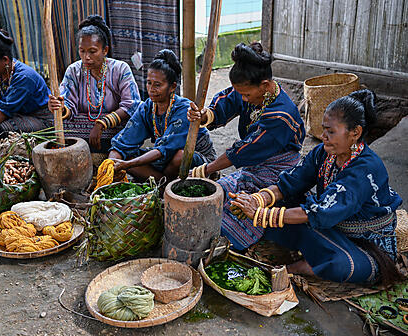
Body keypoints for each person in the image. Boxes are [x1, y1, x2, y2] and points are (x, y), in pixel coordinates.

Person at [230, 89, 402, 284]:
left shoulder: (366, 169)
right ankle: (313, 250)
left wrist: (261, 215)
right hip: (330, 228)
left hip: (367, 245)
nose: (323, 136)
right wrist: (258, 199)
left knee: (342, 265)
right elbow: (291, 183)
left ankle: (306, 266)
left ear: (355, 133)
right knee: (278, 203)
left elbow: (321, 213)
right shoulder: (323, 153)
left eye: (331, 131)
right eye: (324, 129)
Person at [187, 42, 305, 249]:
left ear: (266, 85)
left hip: (277, 169)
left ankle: (235, 243)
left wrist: (206, 169)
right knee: (217, 192)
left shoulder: (281, 115)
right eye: (240, 93)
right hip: (253, 164)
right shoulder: (250, 90)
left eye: (247, 95)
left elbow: (245, 151)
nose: (243, 99)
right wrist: (205, 115)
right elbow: (227, 101)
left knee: (236, 208)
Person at [108, 49, 216, 181]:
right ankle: (163, 183)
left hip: (197, 159)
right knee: (127, 156)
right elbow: (123, 143)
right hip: (165, 159)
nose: (151, 89)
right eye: (149, 83)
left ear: (172, 87)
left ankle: (164, 186)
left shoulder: (184, 109)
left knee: (180, 156)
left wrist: (128, 165)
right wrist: (110, 166)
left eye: (158, 85)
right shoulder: (147, 108)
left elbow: (164, 150)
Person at [48, 15, 141, 153]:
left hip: (113, 129)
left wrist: (102, 124)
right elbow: (67, 103)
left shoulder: (120, 69)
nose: (86, 57)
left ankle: (116, 152)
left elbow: (132, 104)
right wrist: (60, 107)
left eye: (92, 51)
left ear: (105, 50)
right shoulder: (74, 71)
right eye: (82, 51)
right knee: (57, 123)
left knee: (133, 122)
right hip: (82, 134)